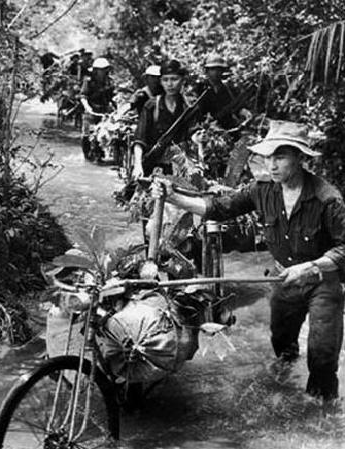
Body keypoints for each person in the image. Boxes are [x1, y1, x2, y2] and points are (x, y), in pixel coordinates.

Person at [151, 120, 345, 402]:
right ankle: (286, 391)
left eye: (280, 157)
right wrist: (174, 198)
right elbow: (217, 208)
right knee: (282, 342)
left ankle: (320, 413)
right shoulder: (262, 188)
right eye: (268, 157)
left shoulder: (328, 199)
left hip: (321, 281)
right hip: (283, 278)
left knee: (323, 353)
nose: (272, 165)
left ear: (300, 158)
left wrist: (311, 266)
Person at [131, 59, 192, 178]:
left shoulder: (188, 106)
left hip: (180, 167)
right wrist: (137, 165)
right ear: (161, 82)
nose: (170, 84)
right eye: (165, 80)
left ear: (182, 81)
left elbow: (194, 132)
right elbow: (140, 139)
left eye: (174, 79)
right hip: (153, 166)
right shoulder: (152, 105)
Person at [198, 55, 251, 130]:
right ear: (207, 71)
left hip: (229, 127)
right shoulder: (200, 89)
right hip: (208, 129)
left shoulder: (229, 89)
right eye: (212, 69)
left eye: (219, 69)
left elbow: (236, 106)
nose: (216, 72)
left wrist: (243, 111)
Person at [80, 57, 115, 161]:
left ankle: (101, 153)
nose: (103, 72)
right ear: (95, 70)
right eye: (101, 70)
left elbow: (113, 96)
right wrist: (88, 108)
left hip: (104, 111)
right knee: (86, 135)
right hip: (90, 111)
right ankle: (86, 156)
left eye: (105, 69)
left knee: (105, 134)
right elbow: (83, 97)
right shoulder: (88, 81)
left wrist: (114, 106)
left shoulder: (110, 81)